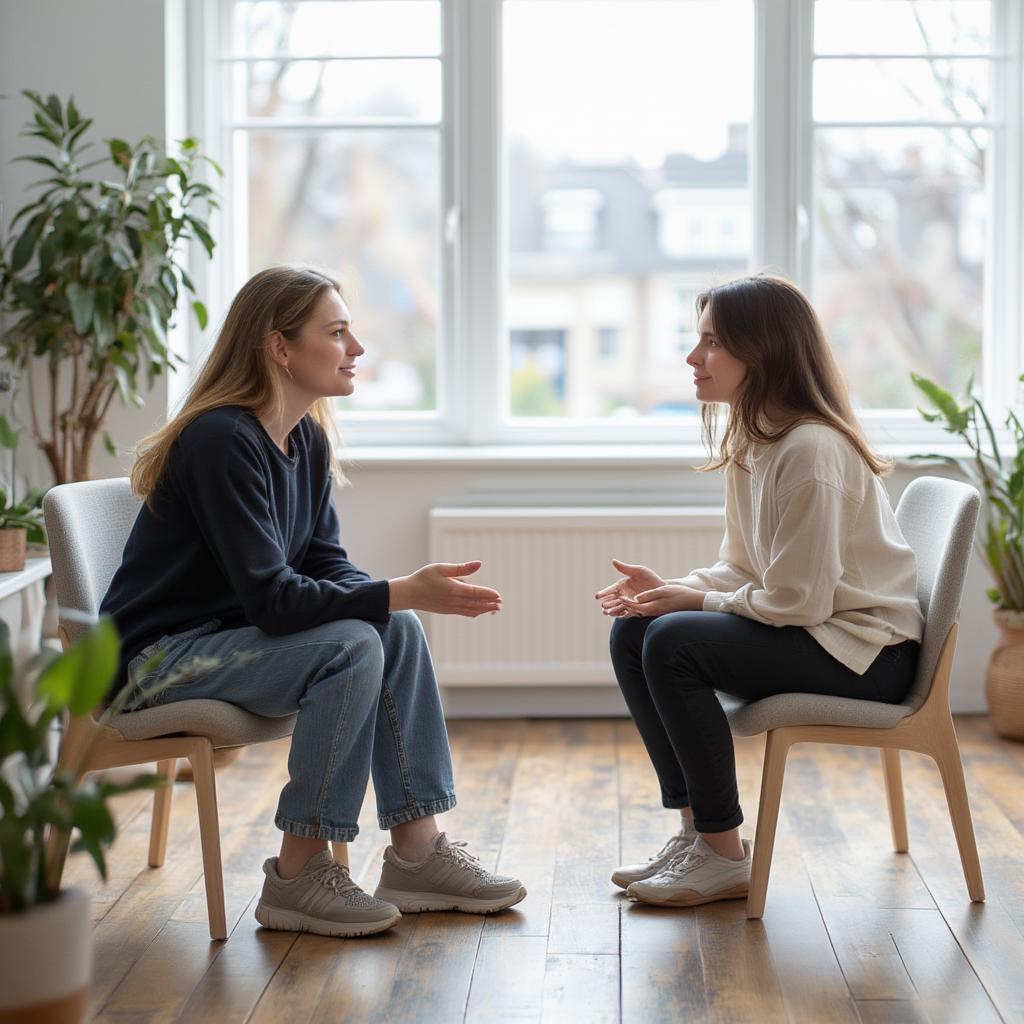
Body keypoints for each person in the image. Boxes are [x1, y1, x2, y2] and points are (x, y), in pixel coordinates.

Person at [100, 265, 526, 938]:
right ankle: (298, 875)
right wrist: (400, 588)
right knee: (359, 635)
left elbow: (323, 565)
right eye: (336, 333)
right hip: (157, 663)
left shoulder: (305, 440)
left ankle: (418, 854)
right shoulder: (221, 440)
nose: (356, 349)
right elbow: (272, 600)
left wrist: (397, 598)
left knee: (395, 628)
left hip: (226, 644)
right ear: (280, 347)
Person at [596, 272, 924, 908]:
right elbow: (746, 569)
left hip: (866, 656)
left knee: (671, 641)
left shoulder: (810, 449)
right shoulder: (757, 442)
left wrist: (694, 604)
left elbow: (798, 602)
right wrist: (672, 589)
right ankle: (697, 833)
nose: (693, 359)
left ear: (763, 352)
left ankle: (723, 853)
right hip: (819, 633)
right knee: (636, 626)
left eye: (712, 343)